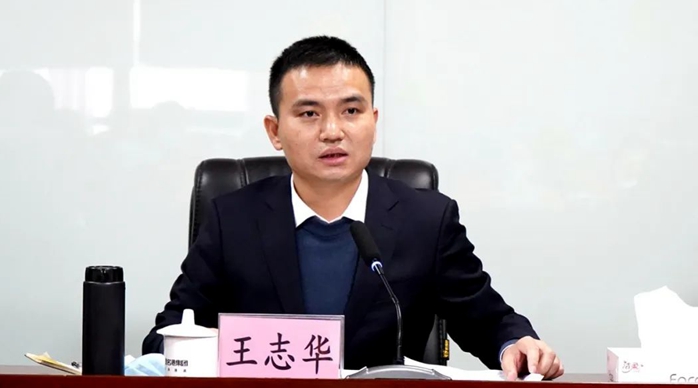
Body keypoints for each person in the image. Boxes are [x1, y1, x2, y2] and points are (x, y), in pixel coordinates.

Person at [142, 36, 564, 379]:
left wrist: (517, 345)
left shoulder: (427, 220)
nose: (332, 131)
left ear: (373, 121)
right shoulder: (232, 219)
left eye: (351, 110)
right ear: (275, 131)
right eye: (309, 113)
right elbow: (169, 335)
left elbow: (487, 320)